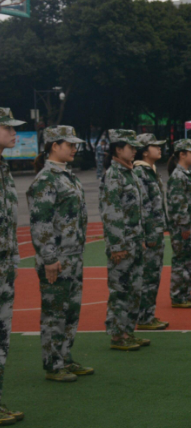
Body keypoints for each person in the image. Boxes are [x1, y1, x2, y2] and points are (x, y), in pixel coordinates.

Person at [27, 126, 91, 383]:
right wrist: (50, 258)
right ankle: (53, 364)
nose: (75, 148)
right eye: (69, 144)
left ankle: (65, 356)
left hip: (73, 255)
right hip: (57, 258)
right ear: (54, 145)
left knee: (71, 310)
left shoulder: (68, 176)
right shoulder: (46, 180)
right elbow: (40, 223)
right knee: (54, 311)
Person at [100, 129, 148, 351]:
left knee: (135, 289)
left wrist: (142, 238)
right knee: (121, 290)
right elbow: (112, 212)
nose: (135, 150)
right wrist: (117, 246)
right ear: (118, 149)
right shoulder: (113, 175)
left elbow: (137, 211)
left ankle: (128, 331)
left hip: (135, 242)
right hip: (123, 244)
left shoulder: (132, 173)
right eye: (131, 147)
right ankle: (118, 335)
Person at [0, 108, 24, 423]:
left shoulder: (4, 168)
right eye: (8, 127)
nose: (14, 133)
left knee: (2, 336)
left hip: (4, 266)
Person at [133, 133, 170, 331]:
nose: (160, 149)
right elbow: (143, 206)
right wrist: (148, 234)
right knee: (148, 276)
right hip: (150, 235)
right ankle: (144, 316)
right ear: (145, 151)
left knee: (153, 276)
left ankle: (148, 314)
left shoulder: (151, 171)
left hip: (155, 233)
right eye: (155, 146)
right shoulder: (140, 172)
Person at [166, 139, 191, 309]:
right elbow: (178, 205)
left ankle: (185, 293)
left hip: (189, 225)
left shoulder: (186, 174)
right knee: (181, 261)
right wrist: (185, 227)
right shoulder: (179, 176)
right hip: (183, 227)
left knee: (190, 262)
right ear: (182, 154)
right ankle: (178, 295)